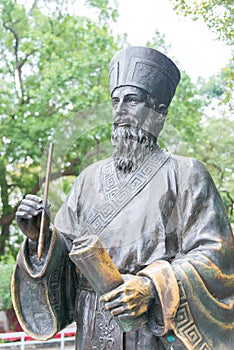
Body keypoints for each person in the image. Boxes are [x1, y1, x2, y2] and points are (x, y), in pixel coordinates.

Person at [12, 47, 233, 350]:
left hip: (154, 331)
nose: (119, 111)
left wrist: (151, 285)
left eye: (132, 100)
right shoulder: (89, 178)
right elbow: (66, 256)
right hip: (92, 324)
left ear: (159, 113)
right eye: (115, 101)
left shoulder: (186, 174)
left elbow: (216, 256)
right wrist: (43, 237)